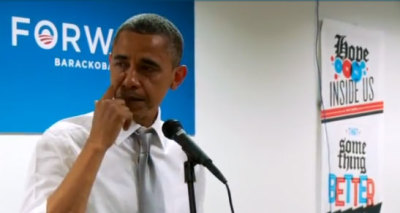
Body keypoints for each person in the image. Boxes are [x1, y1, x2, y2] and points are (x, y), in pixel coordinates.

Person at [20, 13, 205, 213]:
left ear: (177, 77)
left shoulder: (185, 156)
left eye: (147, 68)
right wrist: (96, 145)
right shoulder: (64, 141)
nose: (130, 80)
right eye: (122, 64)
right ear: (110, 62)